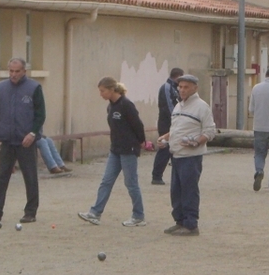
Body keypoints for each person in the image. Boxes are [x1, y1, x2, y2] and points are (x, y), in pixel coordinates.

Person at [78, 77, 147, 227]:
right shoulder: (110, 106)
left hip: (128, 150)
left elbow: (138, 125)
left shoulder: (126, 105)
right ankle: (95, 213)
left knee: (131, 183)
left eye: (102, 91)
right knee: (106, 181)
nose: (101, 94)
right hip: (115, 149)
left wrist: (141, 142)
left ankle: (138, 215)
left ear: (111, 90)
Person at [0, 57, 46, 224]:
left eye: (17, 71)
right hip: (7, 139)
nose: (13, 74)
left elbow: (40, 114)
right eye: (11, 71)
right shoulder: (1, 88)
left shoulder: (34, 88)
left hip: (26, 140)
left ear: (24, 71)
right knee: (2, 176)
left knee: (30, 176)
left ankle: (30, 212)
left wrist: (33, 133)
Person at [158, 74, 216, 236]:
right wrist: (165, 138)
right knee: (176, 191)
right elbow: (177, 129)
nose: (182, 90)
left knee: (189, 190)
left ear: (195, 88)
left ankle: (191, 225)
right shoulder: (179, 106)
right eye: (180, 87)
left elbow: (210, 131)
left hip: (191, 157)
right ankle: (180, 221)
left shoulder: (201, 107)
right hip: (176, 154)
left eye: (186, 87)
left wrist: (196, 141)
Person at [151, 67, 183, 185]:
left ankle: (177, 176)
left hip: (175, 123)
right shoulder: (167, 87)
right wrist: (176, 119)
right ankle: (156, 176)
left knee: (176, 148)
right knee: (164, 149)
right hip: (166, 123)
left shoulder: (176, 88)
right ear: (178, 76)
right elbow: (168, 106)